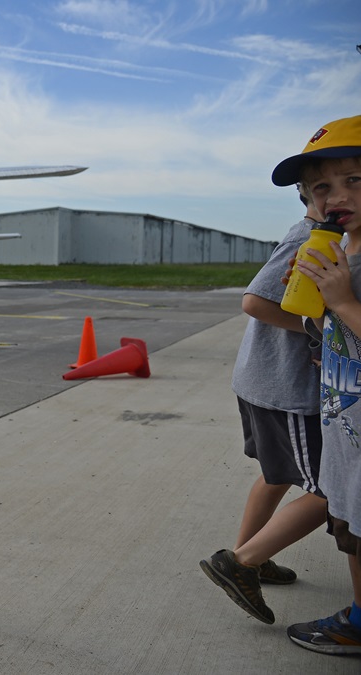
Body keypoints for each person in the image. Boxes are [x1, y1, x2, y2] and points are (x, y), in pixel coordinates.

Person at [199, 191, 328, 625]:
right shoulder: (309, 239)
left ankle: (248, 558)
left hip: (265, 383)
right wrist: (320, 329)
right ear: (309, 196)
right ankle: (243, 563)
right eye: (328, 186)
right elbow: (255, 301)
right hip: (286, 389)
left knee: (276, 476)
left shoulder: (323, 236)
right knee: (333, 492)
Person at [268, 115, 361, 656]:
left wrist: (345, 301)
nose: (336, 196)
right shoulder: (342, 254)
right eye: (321, 187)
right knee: (352, 531)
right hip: (348, 430)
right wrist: (317, 310)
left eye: (355, 181)